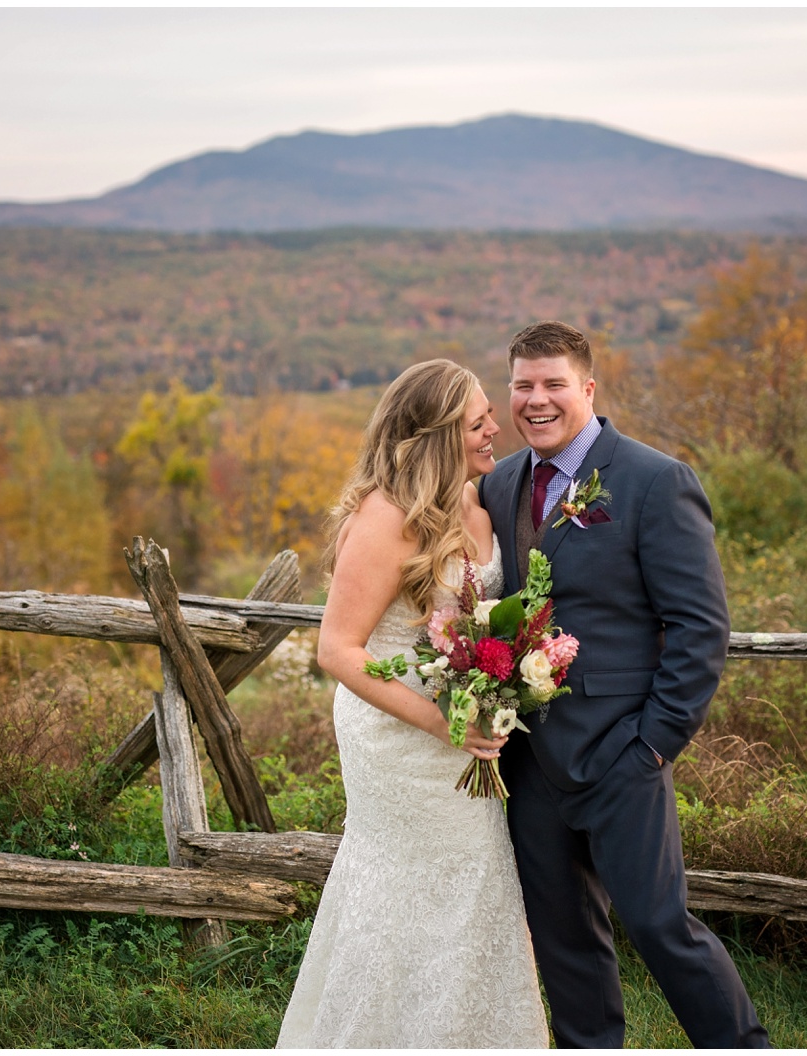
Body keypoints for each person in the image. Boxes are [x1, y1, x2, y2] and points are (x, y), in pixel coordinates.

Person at [479, 321, 770, 1048]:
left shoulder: (653, 479)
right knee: (563, 940)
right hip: (530, 763)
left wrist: (653, 746)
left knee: (659, 925)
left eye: (552, 384)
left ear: (588, 389)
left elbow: (700, 628)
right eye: (522, 385)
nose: (535, 400)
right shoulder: (500, 482)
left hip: (623, 755)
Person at [276, 359, 548, 1049]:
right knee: (403, 889)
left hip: (471, 726)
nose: (496, 428)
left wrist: (499, 686)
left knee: (476, 880)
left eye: (491, 412)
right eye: (477, 421)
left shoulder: (483, 502)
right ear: (434, 435)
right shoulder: (386, 515)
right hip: (399, 738)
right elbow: (338, 650)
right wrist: (442, 721)